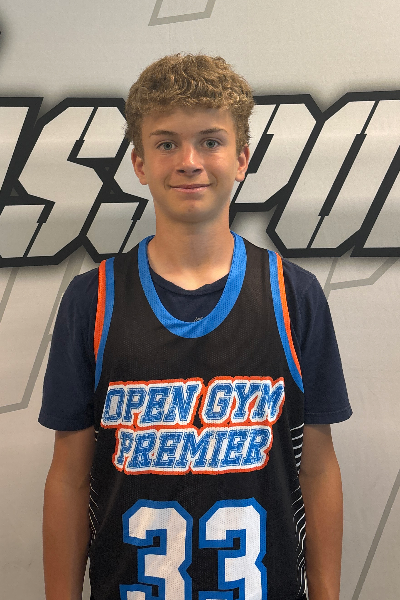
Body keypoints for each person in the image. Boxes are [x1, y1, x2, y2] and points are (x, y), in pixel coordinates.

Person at [40, 54, 352, 600]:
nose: (189, 162)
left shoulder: (293, 295)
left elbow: (318, 468)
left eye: (210, 141)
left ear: (242, 159)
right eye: (166, 143)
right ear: (139, 163)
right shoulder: (92, 300)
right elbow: (69, 476)